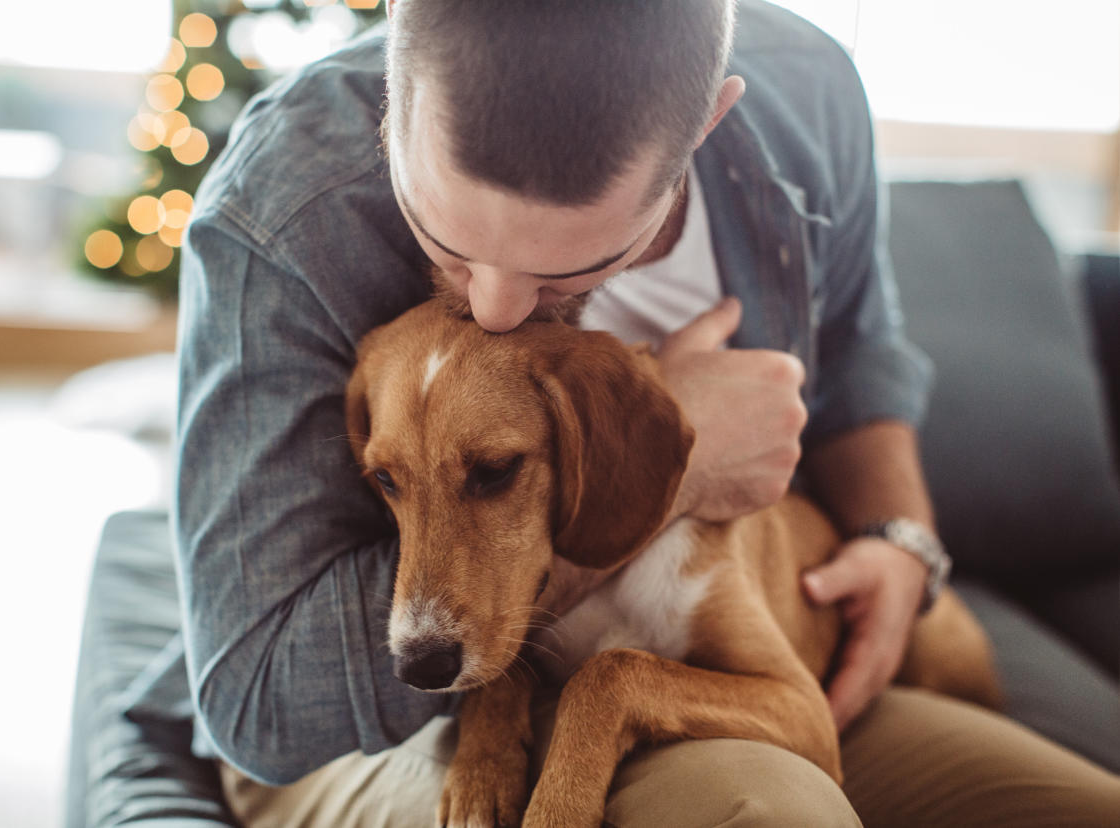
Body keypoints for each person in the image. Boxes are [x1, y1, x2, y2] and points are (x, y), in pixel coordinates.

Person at [171, 0, 1120, 824]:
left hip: (738, 676)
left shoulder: (811, 88)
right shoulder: (280, 208)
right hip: (358, 731)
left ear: (704, 126)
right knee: (763, 809)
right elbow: (258, 706)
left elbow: (864, 342)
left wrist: (899, 538)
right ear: (395, 84)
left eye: (566, 267)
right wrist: (683, 465)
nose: (495, 310)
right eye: (445, 235)